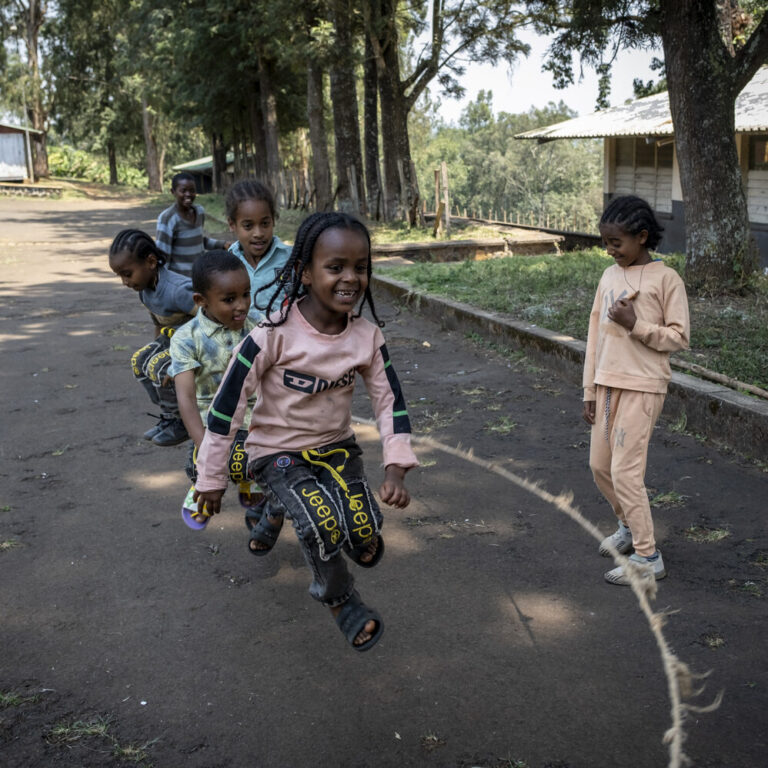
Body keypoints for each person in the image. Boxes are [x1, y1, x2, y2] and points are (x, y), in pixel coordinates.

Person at [194, 212, 418, 651]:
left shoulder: (367, 337)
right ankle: (341, 601)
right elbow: (227, 407)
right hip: (276, 452)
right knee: (322, 524)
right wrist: (211, 476)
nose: (350, 278)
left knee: (362, 528)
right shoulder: (270, 334)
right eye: (335, 267)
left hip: (336, 448)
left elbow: (390, 401)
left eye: (361, 267)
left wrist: (396, 466)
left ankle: (329, 525)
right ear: (304, 272)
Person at [583, 195, 690, 586]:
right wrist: (588, 390)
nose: (610, 250)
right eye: (606, 242)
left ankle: (648, 558)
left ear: (642, 237)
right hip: (607, 384)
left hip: (643, 386)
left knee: (626, 472)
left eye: (617, 243)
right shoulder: (609, 276)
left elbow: (678, 338)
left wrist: (635, 324)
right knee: (600, 466)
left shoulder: (667, 279)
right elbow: (594, 334)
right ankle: (628, 527)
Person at [168, 251, 270, 542]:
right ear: (201, 301)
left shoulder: (260, 325)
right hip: (211, 422)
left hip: (257, 418)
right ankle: (199, 483)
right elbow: (186, 399)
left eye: (246, 294)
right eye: (229, 299)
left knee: (257, 463)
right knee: (203, 464)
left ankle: (250, 482)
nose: (241, 306)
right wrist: (208, 452)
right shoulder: (186, 338)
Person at [109, 229, 195, 446]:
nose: (124, 282)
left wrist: (179, 359)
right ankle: (169, 414)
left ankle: (182, 420)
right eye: (120, 276)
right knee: (140, 361)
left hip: (193, 342)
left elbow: (210, 318)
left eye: (127, 274)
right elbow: (158, 325)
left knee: (158, 365)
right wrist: (156, 346)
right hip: (171, 338)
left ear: (150, 261)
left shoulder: (177, 290)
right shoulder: (145, 290)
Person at [225, 179, 291, 316]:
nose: (258, 233)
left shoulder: (290, 259)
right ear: (232, 225)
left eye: (265, 224)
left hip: (282, 335)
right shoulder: (228, 262)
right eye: (248, 226)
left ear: (273, 220)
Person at [156, 172, 230, 278]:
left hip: (199, 276)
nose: (188, 194)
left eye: (192, 190)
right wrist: (163, 283)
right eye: (183, 191)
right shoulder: (168, 218)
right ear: (173, 192)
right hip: (178, 281)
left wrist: (223, 244)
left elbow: (199, 240)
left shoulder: (199, 212)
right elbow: (162, 255)